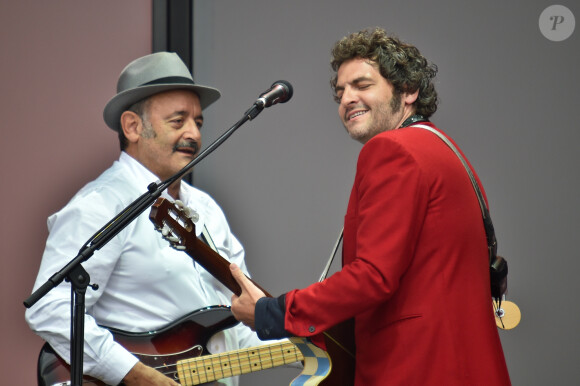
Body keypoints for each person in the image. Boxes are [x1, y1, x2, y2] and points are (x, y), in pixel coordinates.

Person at [230, 28, 511, 385]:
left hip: (414, 369)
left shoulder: (392, 150)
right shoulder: (452, 156)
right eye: (340, 91)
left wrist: (274, 313)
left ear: (409, 91)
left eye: (362, 85)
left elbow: (374, 277)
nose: (347, 99)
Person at [25, 52, 265, 386]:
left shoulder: (206, 209)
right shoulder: (100, 205)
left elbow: (239, 318)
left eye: (198, 122)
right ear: (133, 127)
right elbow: (50, 307)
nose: (194, 134)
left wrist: (306, 341)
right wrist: (135, 375)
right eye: (178, 121)